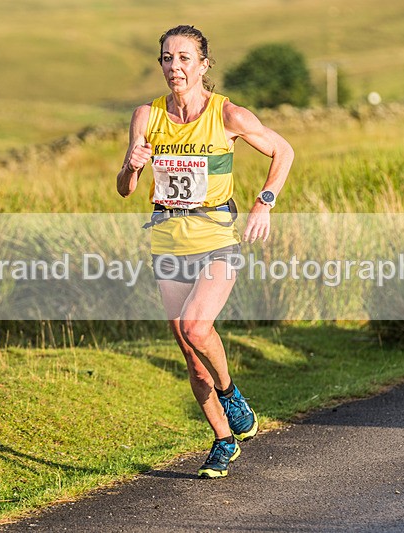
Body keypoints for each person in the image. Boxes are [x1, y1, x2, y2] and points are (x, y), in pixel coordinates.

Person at [116, 25, 293, 478]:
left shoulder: (227, 114)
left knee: (197, 327)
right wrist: (131, 167)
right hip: (167, 242)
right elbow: (125, 188)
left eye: (184, 58)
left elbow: (283, 152)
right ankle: (222, 439)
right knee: (190, 354)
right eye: (167, 58)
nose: (175, 67)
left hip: (216, 238)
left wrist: (263, 203)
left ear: (203, 65)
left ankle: (232, 396)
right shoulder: (145, 115)